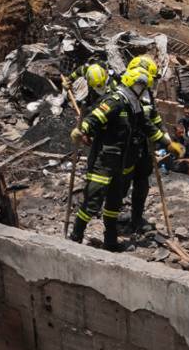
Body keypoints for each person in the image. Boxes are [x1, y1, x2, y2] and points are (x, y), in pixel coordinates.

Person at [68, 66, 140, 251]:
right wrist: (83, 130)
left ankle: (110, 241)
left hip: (119, 162)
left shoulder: (127, 100)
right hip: (103, 161)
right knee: (92, 201)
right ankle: (75, 237)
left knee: (114, 203)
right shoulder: (113, 101)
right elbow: (95, 118)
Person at [115, 55, 184, 236]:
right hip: (125, 148)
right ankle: (111, 219)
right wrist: (164, 141)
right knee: (120, 185)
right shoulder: (121, 94)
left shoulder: (146, 95)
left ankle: (137, 219)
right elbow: (142, 122)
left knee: (142, 184)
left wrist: (167, 140)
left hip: (143, 148)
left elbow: (154, 118)